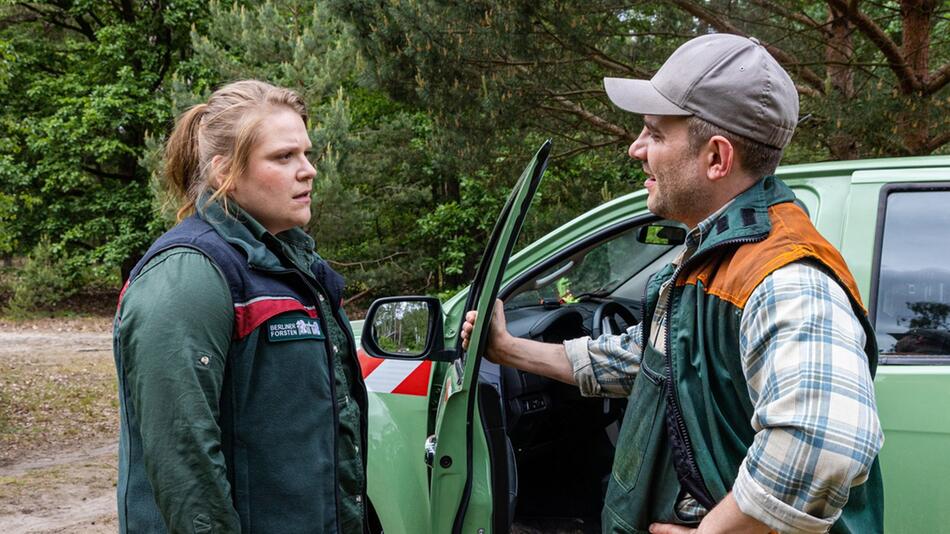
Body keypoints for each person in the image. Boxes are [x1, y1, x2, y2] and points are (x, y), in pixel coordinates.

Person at [462, 34, 883, 534]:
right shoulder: (711, 258)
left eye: (655, 134)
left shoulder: (783, 276)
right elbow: (650, 362)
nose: (635, 149)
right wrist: (508, 349)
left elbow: (823, 444)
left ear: (717, 158)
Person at [113, 80, 376, 533]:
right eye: (283, 156)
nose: (308, 170)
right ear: (223, 172)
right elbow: (184, 460)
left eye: (306, 154)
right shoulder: (187, 276)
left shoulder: (292, 267)